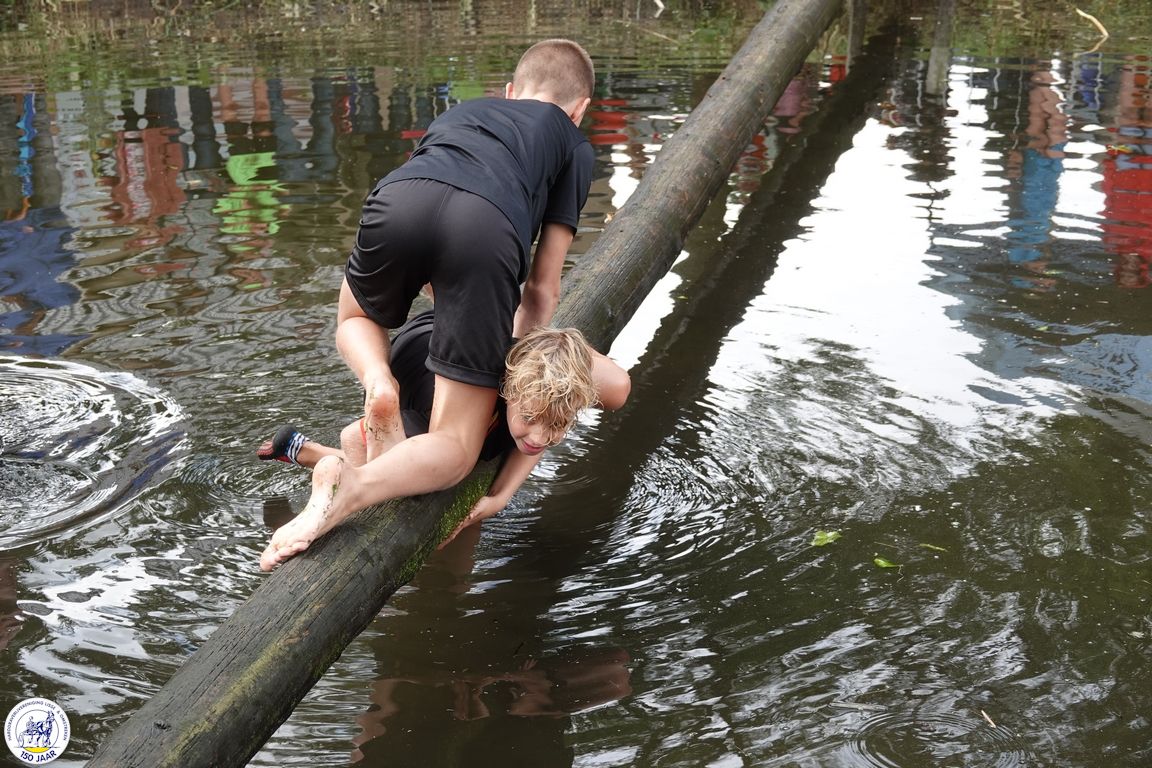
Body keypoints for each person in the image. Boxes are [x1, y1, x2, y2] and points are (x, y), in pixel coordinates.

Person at [257, 39, 598, 570]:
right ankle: (352, 486)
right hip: (487, 224)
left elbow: (437, 218)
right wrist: (518, 368)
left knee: (356, 316)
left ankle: (378, 382)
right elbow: (541, 288)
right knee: (456, 447)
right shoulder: (572, 143)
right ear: (580, 110)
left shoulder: (464, 112)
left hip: (401, 196)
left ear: (510, 91)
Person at [257, 310, 630, 567]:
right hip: (426, 362)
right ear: (510, 389)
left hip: (464, 337)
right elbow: (359, 438)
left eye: (558, 425)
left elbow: (548, 427)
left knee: (602, 395)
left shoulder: (542, 401)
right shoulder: (467, 406)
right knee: (412, 479)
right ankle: (347, 469)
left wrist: (501, 497)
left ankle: (303, 450)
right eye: (530, 419)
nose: (540, 436)